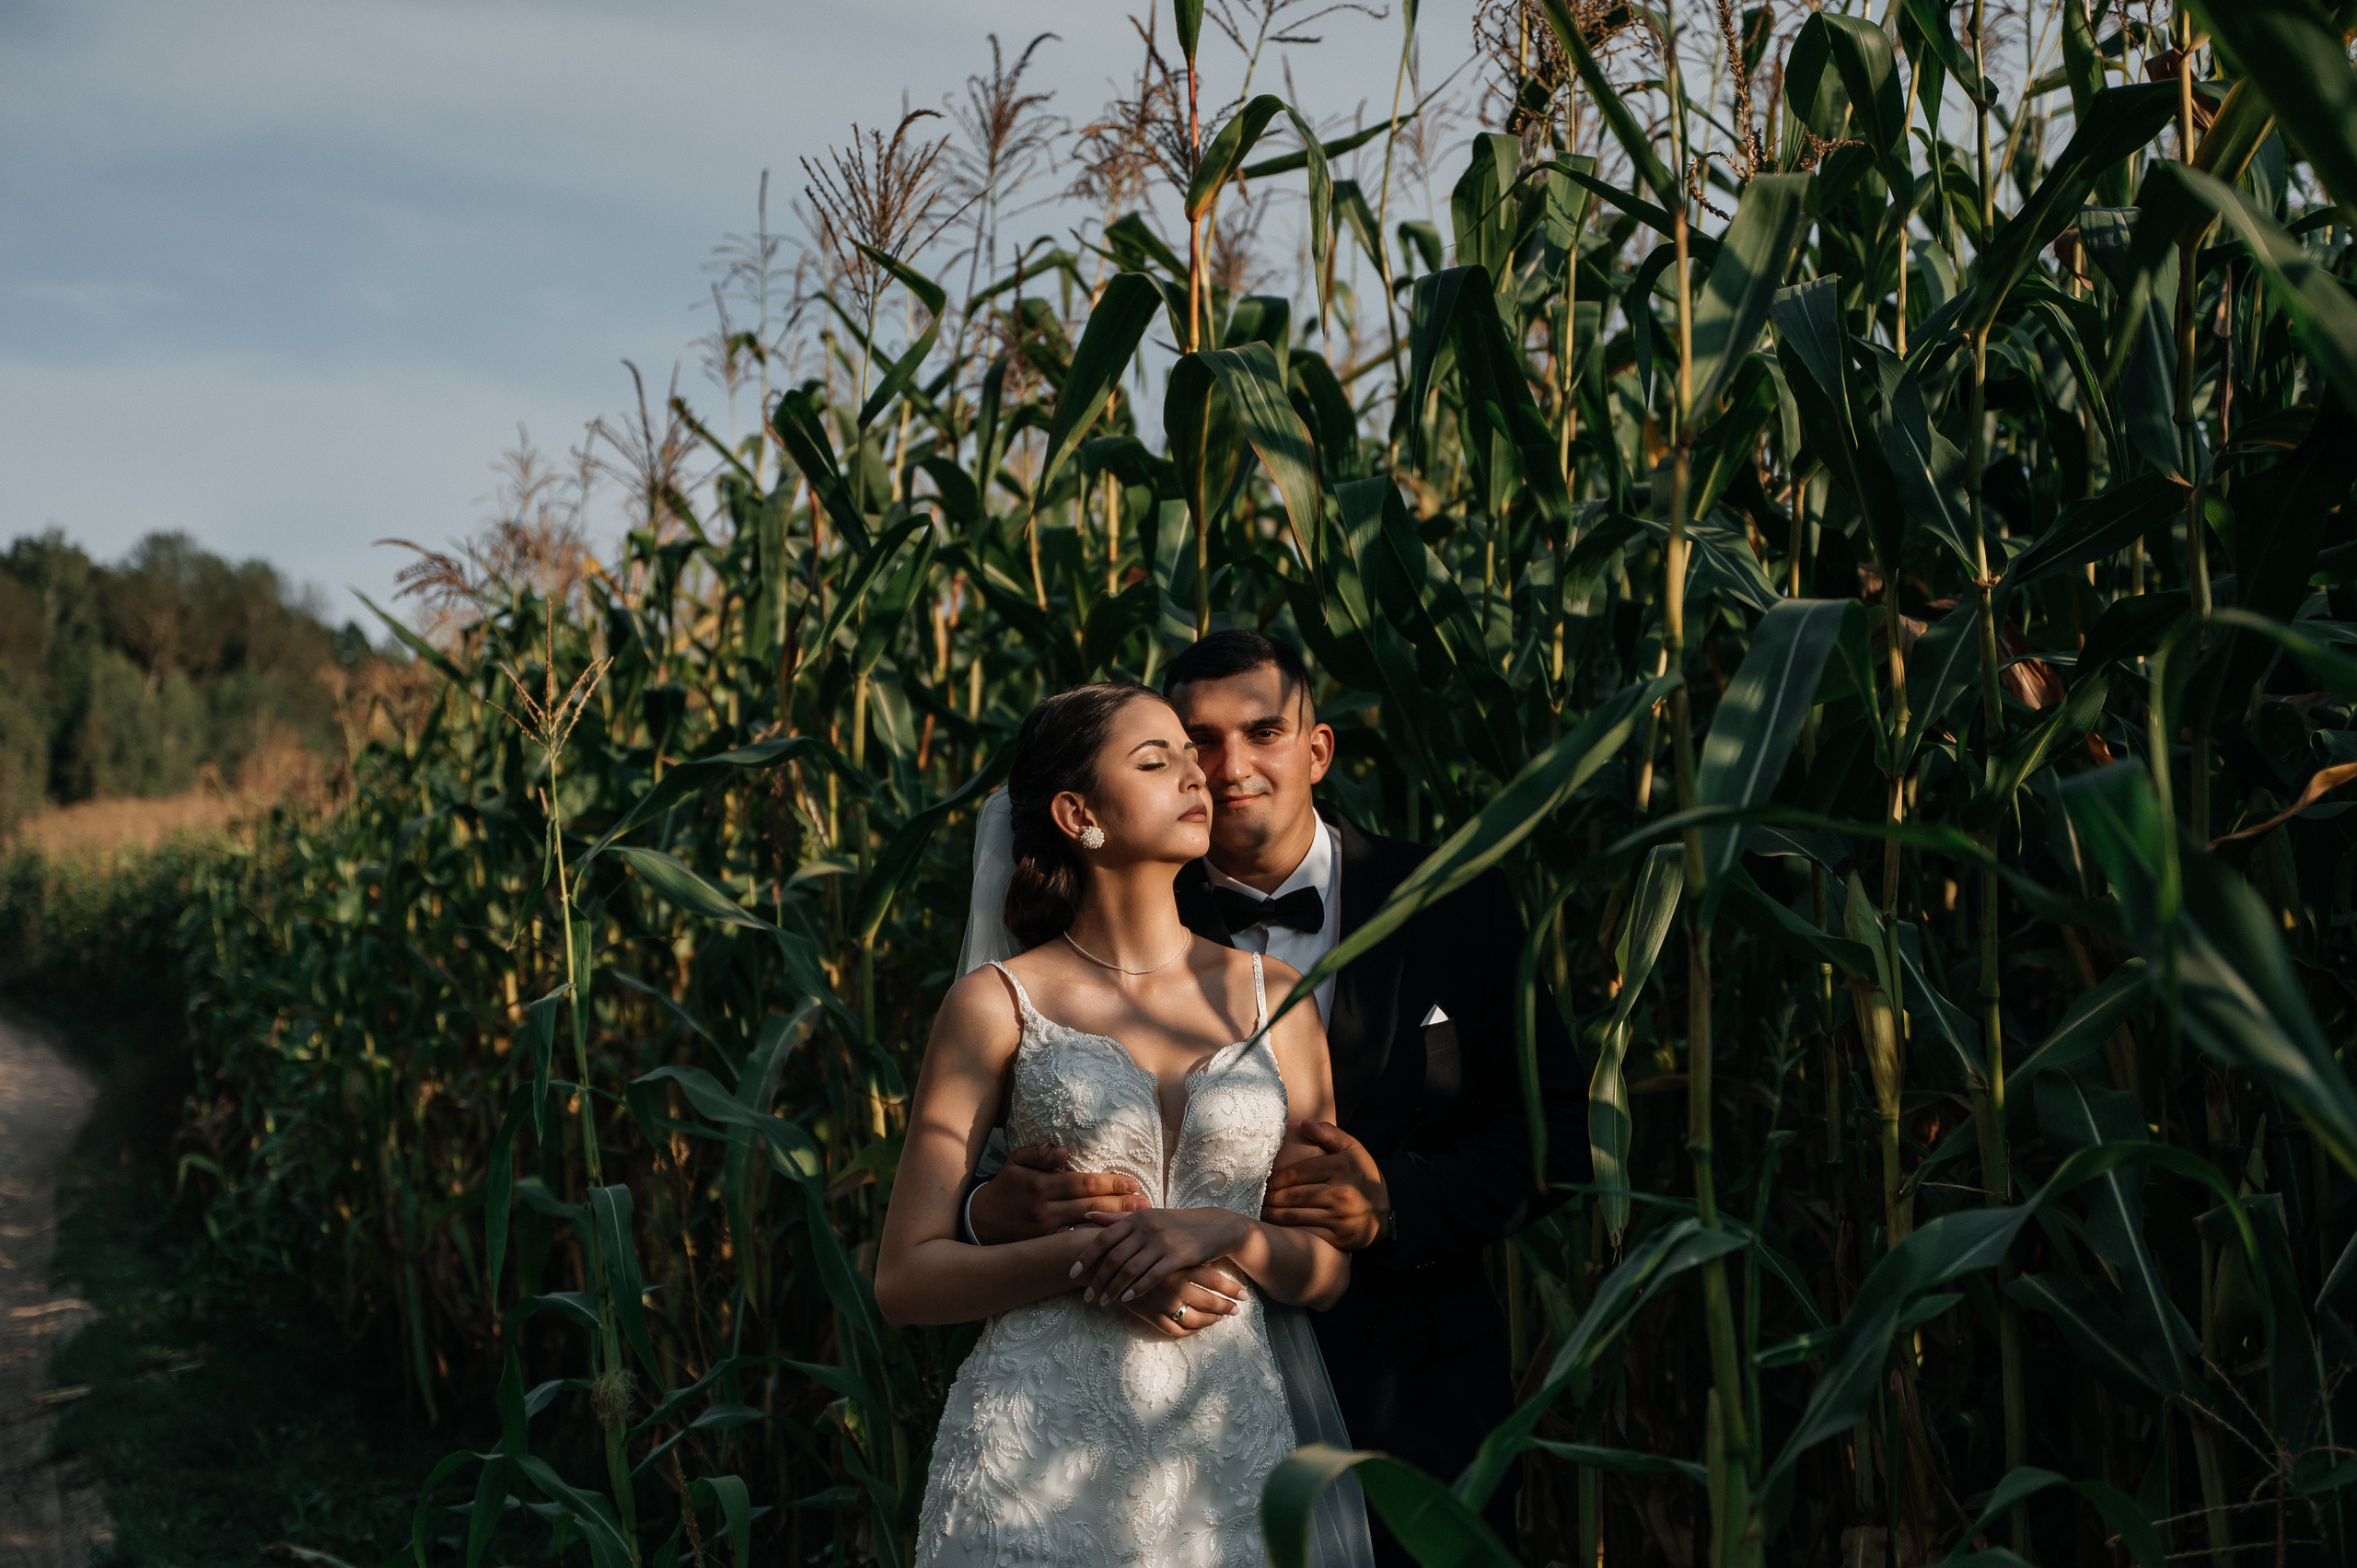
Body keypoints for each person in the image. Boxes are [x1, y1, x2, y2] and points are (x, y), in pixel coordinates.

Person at [964, 630, 1589, 1560]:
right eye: (1197, 741)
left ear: (1317, 748)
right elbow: (995, 1154)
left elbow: (1556, 1140)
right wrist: (986, 1209)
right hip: (1168, 1412)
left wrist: (1393, 1202)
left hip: (1412, 1398)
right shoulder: (1118, 907)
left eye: (1263, 732)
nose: (1228, 768)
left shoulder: (1458, 903)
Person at [874, 680, 1365, 1568]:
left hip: (1223, 1449)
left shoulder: (1279, 1000)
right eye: (1155, 760)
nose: (1197, 774)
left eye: (1189, 754)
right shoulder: (995, 1004)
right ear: (1079, 814)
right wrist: (1097, 1264)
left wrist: (1227, 1231)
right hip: (1033, 1459)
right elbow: (904, 1278)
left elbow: (1327, 1272)